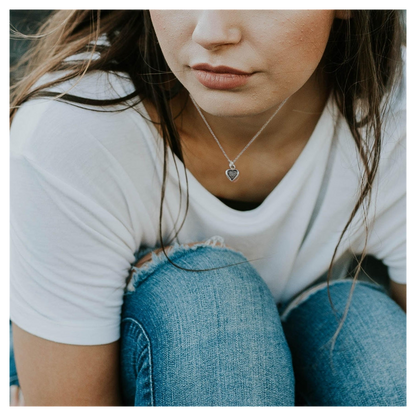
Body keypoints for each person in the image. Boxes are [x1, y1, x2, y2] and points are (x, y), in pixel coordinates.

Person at [6, 6, 410, 410]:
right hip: (133, 374)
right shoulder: (76, 127)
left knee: (364, 330)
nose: (211, 32)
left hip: (320, 349)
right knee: (208, 299)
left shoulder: (398, 118)